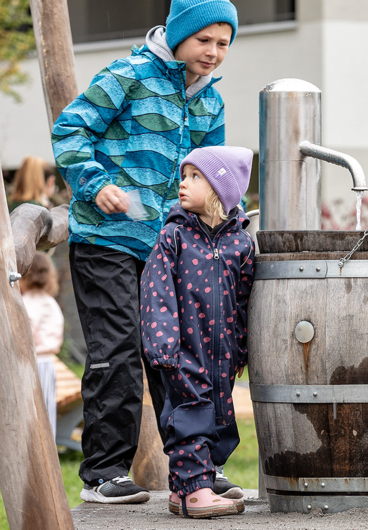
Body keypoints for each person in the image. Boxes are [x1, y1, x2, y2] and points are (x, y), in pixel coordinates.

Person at [50, 0, 239, 504]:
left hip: (167, 249)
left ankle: (194, 471)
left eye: (223, 43)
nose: (214, 52)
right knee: (117, 352)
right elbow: (71, 129)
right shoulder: (129, 74)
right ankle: (103, 474)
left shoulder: (210, 103)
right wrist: (96, 184)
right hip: (105, 239)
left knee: (175, 357)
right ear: (180, 34)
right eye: (205, 40)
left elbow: (212, 177)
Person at [140, 146, 254, 518]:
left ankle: (183, 490)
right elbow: (156, 292)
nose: (182, 184)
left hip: (221, 354)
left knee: (220, 417)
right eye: (183, 176)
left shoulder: (241, 243)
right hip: (182, 348)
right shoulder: (174, 237)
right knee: (191, 413)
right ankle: (196, 493)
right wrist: (163, 345)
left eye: (194, 177)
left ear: (221, 191)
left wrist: (241, 349)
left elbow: (243, 301)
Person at [19, 251, 65, 442]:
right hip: (48, 363)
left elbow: (25, 338)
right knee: (45, 411)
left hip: (33, 362)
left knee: (31, 413)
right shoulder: (50, 302)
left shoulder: (26, 304)